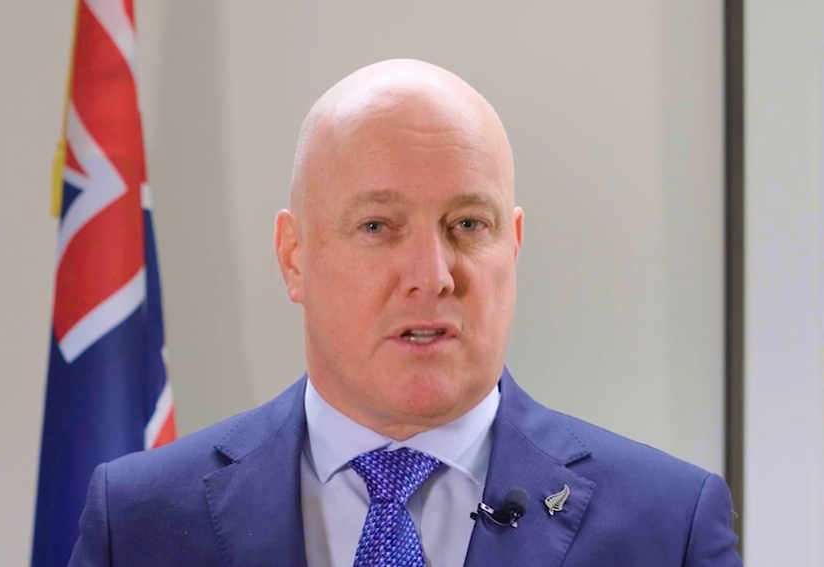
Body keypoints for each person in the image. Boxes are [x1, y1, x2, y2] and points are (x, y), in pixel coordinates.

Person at [68, 59, 742, 567]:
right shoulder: (137, 522)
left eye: (468, 224)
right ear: (294, 256)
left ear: (513, 243)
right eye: (378, 226)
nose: (432, 275)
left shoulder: (669, 526)